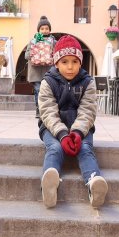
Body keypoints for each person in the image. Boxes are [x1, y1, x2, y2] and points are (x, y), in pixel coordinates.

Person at [38, 35, 108, 209]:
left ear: (80, 63)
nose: (70, 67)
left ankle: (93, 182)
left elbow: (88, 111)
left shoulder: (87, 83)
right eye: (65, 62)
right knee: (54, 148)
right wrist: (62, 135)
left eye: (75, 62)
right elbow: (48, 112)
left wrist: (77, 132)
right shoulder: (48, 83)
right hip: (52, 129)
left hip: (81, 130)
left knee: (85, 148)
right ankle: (49, 185)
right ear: (56, 63)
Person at [25, 16, 56, 118]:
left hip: (49, 72)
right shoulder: (33, 41)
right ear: (38, 30)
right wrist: (36, 53)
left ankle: (48, 110)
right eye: (42, 29)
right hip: (36, 72)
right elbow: (26, 55)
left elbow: (58, 54)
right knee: (38, 91)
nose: (44, 31)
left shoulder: (54, 42)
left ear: (50, 30)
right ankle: (39, 110)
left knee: (49, 92)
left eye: (46, 28)